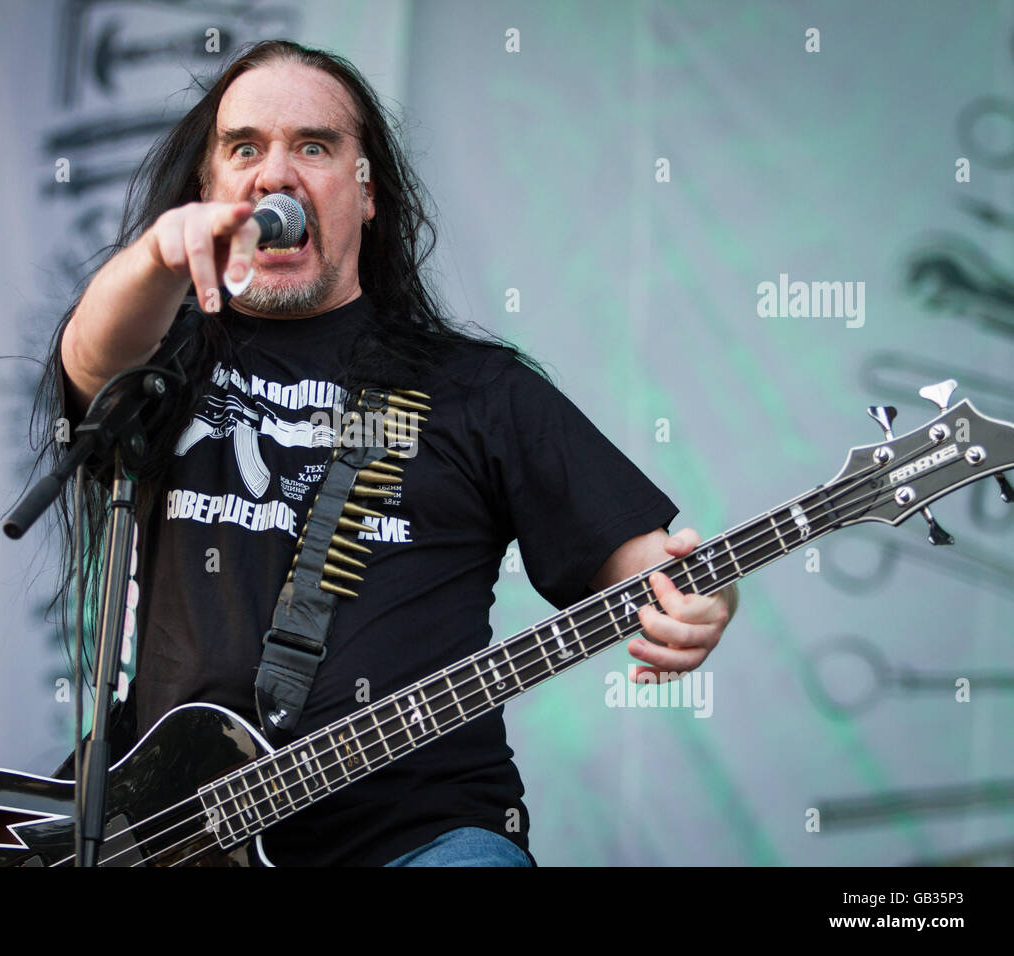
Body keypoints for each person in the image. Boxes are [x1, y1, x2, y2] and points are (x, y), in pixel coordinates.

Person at [41, 39, 738, 866]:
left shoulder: (478, 389)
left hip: (420, 837)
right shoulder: (163, 368)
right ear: (209, 189)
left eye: (313, 146)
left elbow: (658, 570)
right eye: (244, 149)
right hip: (172, 837)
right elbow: (91, 358)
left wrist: (704, 602)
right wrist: (158, 253)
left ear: (366, 192)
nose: (275, 176)